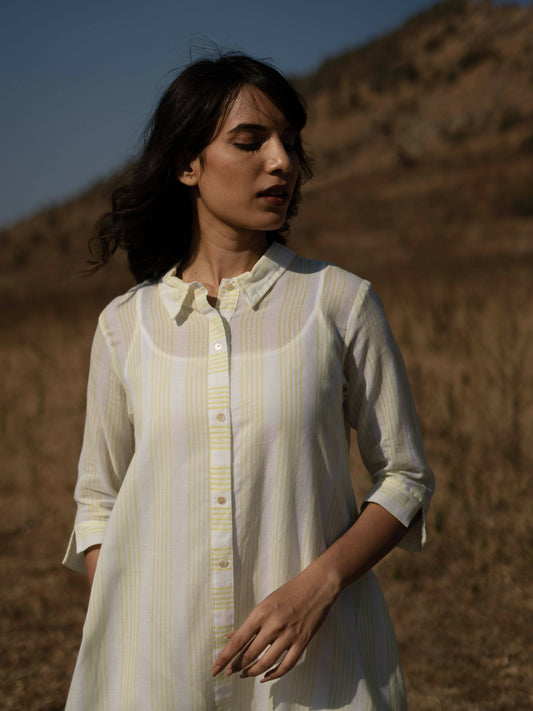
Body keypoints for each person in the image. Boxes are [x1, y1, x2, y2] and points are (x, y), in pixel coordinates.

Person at [63, 52, 435, 710]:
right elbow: (97, 503)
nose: (281, 162)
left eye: (288, 142)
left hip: (311, 673)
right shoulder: (123, 326)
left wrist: (317, 587)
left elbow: (404, 477)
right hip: (156, 674)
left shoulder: (339, 302)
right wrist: (135, 625)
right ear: (188, 164)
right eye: (249, 141)